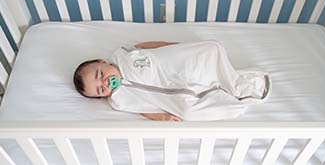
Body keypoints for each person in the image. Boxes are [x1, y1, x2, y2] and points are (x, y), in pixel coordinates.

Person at [73, 40, 270, 121]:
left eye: (100, 75)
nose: (105, 83)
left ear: (102, 61)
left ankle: (236, 85)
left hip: (176, 67)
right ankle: (230, 102)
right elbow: (141, 108)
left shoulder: (123, 54)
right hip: (173, 95)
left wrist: (176, 46)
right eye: (100, 90)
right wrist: (162, 117)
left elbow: (149, 46)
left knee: (210, 51)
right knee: (188, 111)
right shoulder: (119, 100)